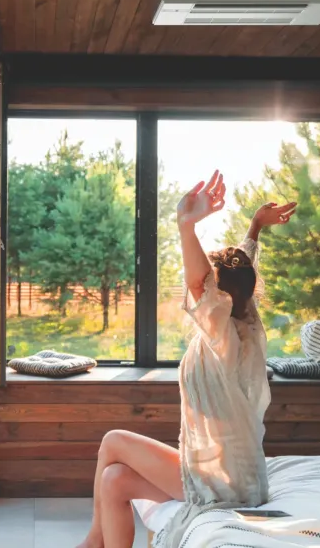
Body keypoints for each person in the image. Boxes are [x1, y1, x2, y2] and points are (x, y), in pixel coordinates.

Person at [76, 169, 296, 548]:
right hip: (237, 475)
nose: (200, 289)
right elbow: (244, 267)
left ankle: (93, 541)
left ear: (217, 294)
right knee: (114, 480)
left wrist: (186, 226)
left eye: (211, 282)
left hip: (223, 482)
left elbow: (200, 283)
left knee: (112, 440)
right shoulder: (246, 318)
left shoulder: (220, 333)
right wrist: (256, 226)